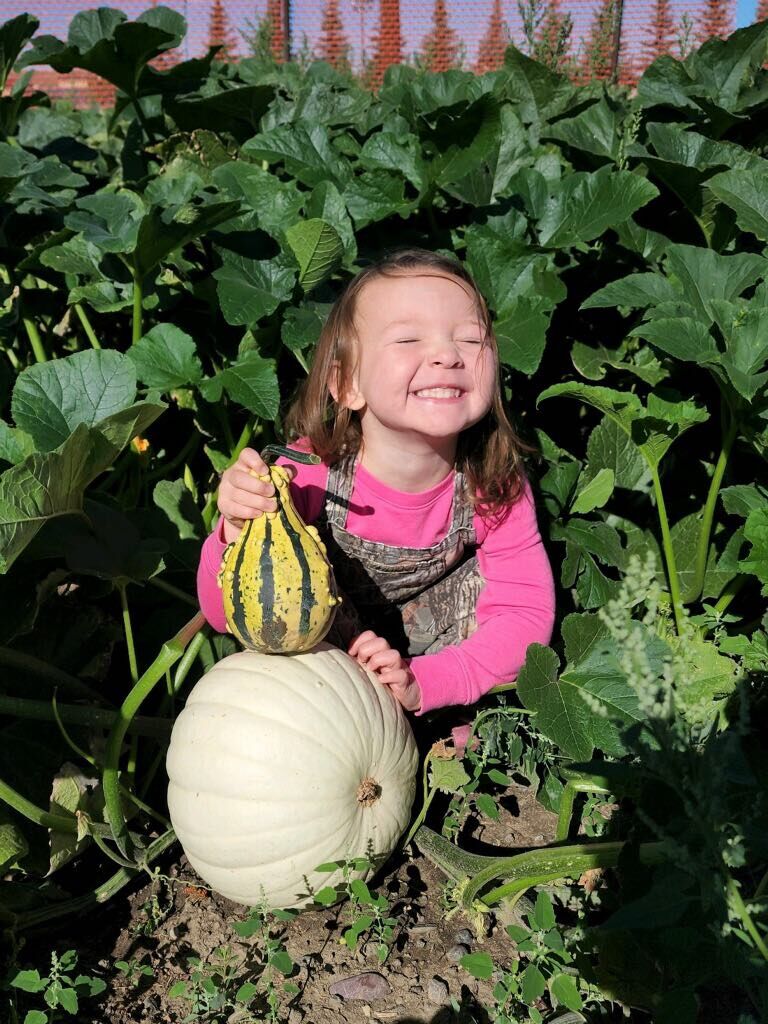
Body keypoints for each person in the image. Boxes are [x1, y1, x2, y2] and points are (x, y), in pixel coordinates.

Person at [196, 248, 555, 722]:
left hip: (437, 671)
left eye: (470, 339)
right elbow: (226, 616)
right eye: (409, 339)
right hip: (327, 683)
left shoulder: (494, 483)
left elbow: (525, 617)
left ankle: (458, 730)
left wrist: (426, 683)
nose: (447, 355)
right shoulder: (305, 474)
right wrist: (236, 531)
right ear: (347, 385)